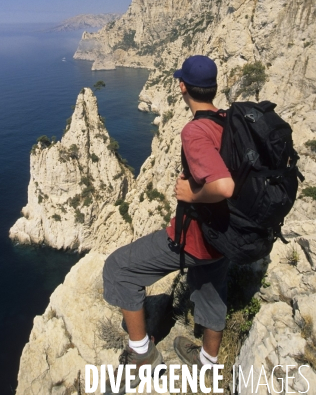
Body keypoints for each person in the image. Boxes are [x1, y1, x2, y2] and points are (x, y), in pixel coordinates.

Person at [103, 55, 234, 393]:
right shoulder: (229, 122)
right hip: (226, 236)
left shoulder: (195, 130)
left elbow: (223, 186)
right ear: (214, 87)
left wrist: (192, 193)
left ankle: (143, 356)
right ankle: (208, 361)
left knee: (118, 268)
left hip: (194, 238)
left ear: (182, 86)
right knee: (210, 287)